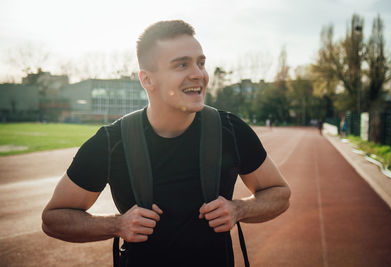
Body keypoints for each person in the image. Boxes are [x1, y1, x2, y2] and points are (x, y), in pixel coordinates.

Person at [42, 20, 291, 266]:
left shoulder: (230, 130)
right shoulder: (111, 142)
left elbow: (280, 193)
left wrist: (239, 209)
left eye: (201, 63)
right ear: (147, 80)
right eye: (182, 64)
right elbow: (53, 218)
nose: (199, 74)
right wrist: (116, 225)